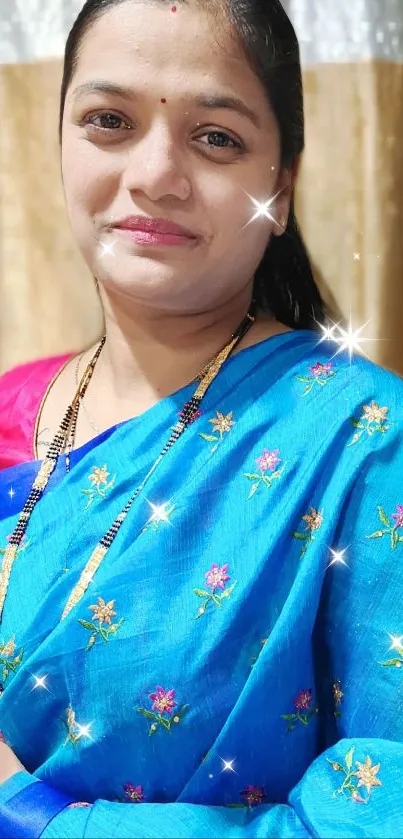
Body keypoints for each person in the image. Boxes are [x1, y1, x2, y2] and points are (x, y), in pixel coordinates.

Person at [0, 0, 402, 836]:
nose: (154, 174)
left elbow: (375, 814)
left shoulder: (362, 437)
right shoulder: (14, 407)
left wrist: (37, 816)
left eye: (215, 136)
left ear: (280, 188)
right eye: (109, 120)